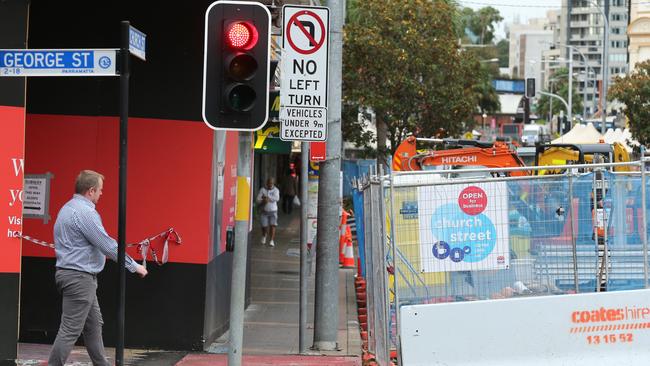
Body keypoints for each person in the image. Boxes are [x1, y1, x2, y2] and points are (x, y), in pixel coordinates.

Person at [48, 170, 148, 366]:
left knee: (94, 325)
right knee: (70, 329)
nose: (102, 194)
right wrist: (133, 265)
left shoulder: (66, 209)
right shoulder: (85, 213)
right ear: (91, 191)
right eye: (100, 190)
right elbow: (107, 244)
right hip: (80, 278)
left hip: (74, 276)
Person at [256, 177, 280, 247]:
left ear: (273, 183)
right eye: (269, 183)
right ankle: (264, 235)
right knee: (264, 226)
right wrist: (263, 200)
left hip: (273, 211)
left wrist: (267, 198)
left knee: (273, 226)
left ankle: (271, 240)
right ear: (267, 183)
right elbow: (257, 199)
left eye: (272, 183)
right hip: (264, 211)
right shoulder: (262, 189)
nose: (270, 184)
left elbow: (277, 198)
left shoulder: (276, 190)